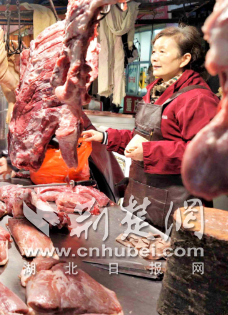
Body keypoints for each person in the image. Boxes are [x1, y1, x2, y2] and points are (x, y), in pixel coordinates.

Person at [83, 26, 220, 229]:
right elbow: (144, 136)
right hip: (142, 197)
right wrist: (104, 137)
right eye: (154, 51)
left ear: (184, 59)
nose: (154, 57)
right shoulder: (156, 91)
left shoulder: (198, 99)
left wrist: (148, 152)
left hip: (177, 206)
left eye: (163, 52)